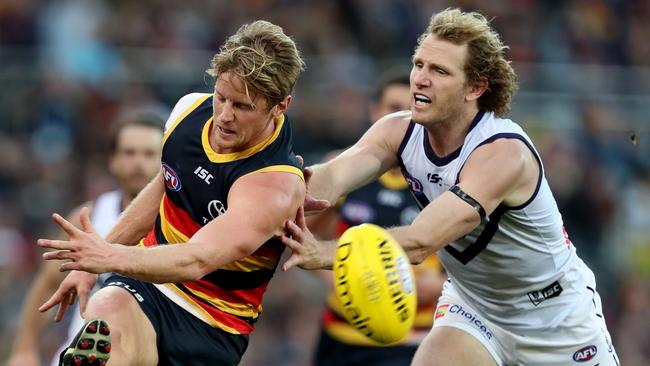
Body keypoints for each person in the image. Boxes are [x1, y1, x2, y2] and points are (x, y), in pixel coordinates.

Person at [281, 8, 619, 366]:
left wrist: (327, 254)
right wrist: (273, 188)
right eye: (419, 64)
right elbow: (328, 180)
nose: (420, 79)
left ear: (475, 87)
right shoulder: (398, 131)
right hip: (475, 308)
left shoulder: (504, 153)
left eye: (439, 71)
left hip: (554, 319)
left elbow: (421, 239)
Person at [37, 20, 306, 366]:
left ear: (280, 106)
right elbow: (165, 186)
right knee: (106, 318)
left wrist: (107, 256)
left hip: (211, 324)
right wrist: (96, 263)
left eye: (242, 106)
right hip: (146, 282)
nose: (224, 115)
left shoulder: (275, 185)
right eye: (221, 97)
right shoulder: (186, 114)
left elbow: (197, 259)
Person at [307, 71, 445, 366]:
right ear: (375, 113)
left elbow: (454, 273)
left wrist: (427, 285)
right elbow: (303, 236)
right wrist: (342, 278)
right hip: (341, 335)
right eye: (394, 109)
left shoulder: (440, 181)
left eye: (411, 109)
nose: (404, 120)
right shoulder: (343, 169)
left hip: (410, 339)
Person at [6, 112, 164, 366]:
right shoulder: (88, 218)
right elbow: (48, 284)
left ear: (164, 161)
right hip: (82, 354)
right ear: (113, 160)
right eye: (129, 153)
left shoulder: (179, 223)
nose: (138, 163)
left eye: (148, 154)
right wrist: (25, 348)